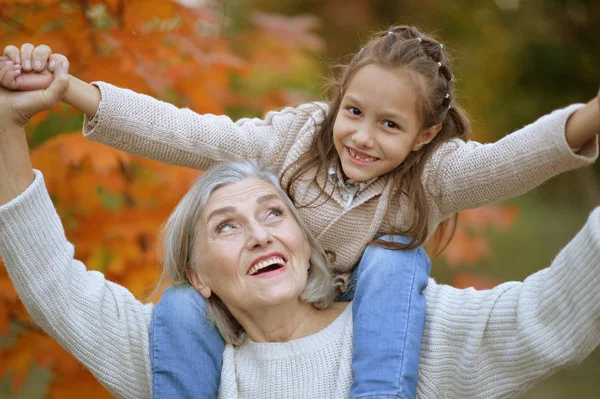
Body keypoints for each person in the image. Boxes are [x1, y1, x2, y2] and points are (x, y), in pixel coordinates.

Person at [2, 24, 600, 399]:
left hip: (375, 307)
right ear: (199, 270)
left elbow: (515, 176)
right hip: (203, 328)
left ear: (424, 136)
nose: (363, 138)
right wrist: (55, 97)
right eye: (226, 226)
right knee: (179, 313)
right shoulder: (172, 349)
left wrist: (590, 117)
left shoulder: (415, 333)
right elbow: (182, 132)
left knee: (394, 264)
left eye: (273, 212)